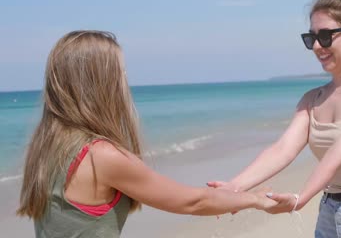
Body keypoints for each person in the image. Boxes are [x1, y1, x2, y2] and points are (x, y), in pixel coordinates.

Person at [16, 30, 276, 237]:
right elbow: (193, 202)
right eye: (120, 72)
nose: (125, 80)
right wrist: (253, 199)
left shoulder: (45, 147)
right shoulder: (101, 156)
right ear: (102, 83)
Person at [208, 0, 341, 237]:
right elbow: (282, 149)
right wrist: (234, 187)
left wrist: (300, 198)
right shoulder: (312, 100)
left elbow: (339, 152)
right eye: (311, 38)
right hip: (330, 215)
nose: (317, 46)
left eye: (326, 36)